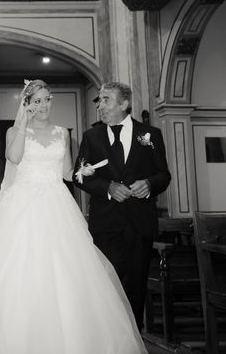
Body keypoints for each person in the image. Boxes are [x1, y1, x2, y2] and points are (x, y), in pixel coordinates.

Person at [0, 79, 155, 354]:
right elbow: (14, 158)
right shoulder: (15, 131)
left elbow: (66, 172)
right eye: (36, 101)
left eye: (47, 100)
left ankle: (73, 350)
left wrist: (84, 172)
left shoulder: (63, 133)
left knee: (66, 273)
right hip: (24, 206)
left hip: (57, 203)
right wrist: (22, 124)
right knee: (21, 272)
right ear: (26, 104)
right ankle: (15, 351)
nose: (44, 106)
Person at [72, 81, 171, 330]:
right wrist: (108, 188)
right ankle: (108, 343)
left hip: (140, 222)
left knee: (136, 285)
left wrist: (149, 184)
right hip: (105, 223)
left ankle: (134, 348)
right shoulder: (91, 137)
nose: (100, 106)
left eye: (106, 100)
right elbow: (79, 175)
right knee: (106, 285)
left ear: (124, 104)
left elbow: (164, 175)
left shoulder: (149, 135)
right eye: (100, 100)